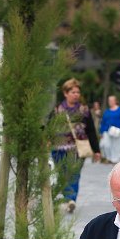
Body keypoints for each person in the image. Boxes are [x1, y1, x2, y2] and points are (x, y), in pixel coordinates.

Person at [50, 78, 100, 213]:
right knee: (62, 175)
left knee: (74, 174)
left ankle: (70, 199)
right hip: (58, 149)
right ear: (65, 93)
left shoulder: (84, 110)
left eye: (78, 92)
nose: (76, 94)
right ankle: (68, 199)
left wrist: (96, 150)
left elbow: (91, 131)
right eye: (73, 92)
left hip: (78, 149)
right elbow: (49, 128)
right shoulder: (57, 110)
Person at [98, 95, 120, 164]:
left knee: (116, 145)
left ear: (115, 101)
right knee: (105, 145)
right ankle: (108, 157)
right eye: (109, 100)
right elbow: (103, 122)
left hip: (118, 131)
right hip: (107, 131)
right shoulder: (107, 111)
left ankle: (115, 159)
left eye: (111, 100)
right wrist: (101, 132)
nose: (110, 102)